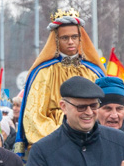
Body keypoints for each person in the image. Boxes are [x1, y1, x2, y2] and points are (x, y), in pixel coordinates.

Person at [14, 9, 105, 154]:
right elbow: (34, 116)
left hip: (92, 143)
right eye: (65, 38)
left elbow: (103, 109)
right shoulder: (43, 72)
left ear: (80, 38)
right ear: (56, 40)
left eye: (74, 37)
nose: (70, 42)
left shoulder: (94, 72)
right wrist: (64, 137)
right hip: (54, 147)